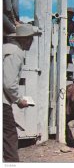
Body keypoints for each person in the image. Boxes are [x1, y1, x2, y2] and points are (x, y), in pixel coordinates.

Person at [3, 24, 41, 162]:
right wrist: (19, 100)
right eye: (31, 39)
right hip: (2, 102)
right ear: (25, 39)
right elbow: (8, 83)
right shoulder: (16, 52)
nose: (31, 42)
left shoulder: (6, 48)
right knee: (9, 134)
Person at [67, 7, 74, 81]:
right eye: (69, 13)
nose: (71, 15)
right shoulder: (58, 20)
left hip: (66, 42)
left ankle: (69, 75)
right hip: (54, 41)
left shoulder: (73, 24)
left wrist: (73, 39)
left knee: (69, 59)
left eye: (72, 14)